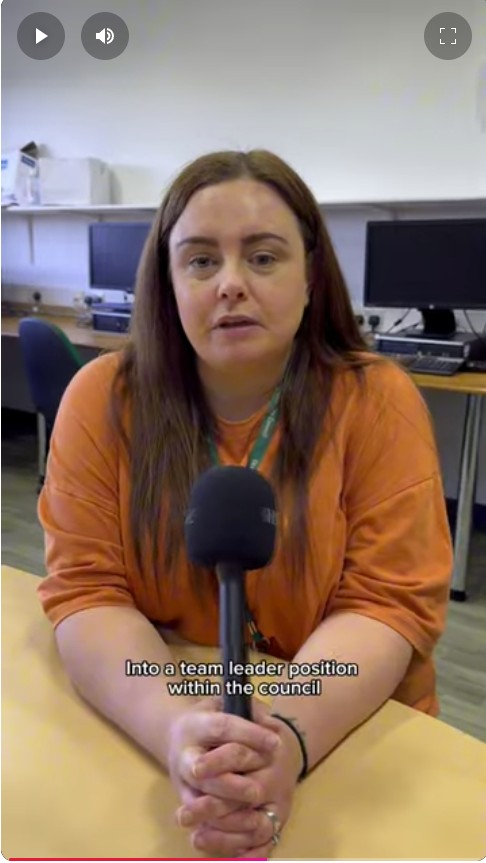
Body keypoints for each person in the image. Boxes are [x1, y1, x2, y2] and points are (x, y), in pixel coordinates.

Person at [37, 149, 453, 859]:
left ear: (310, 275)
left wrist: (282, 740)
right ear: (167, 282)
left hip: (349, 736)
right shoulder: (105, 399)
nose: (231, 283)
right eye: (200, 261)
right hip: (168, 727)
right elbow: (87, 592)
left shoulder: (376, 399)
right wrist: (174, 731)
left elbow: (386, 605)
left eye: (263, 257)